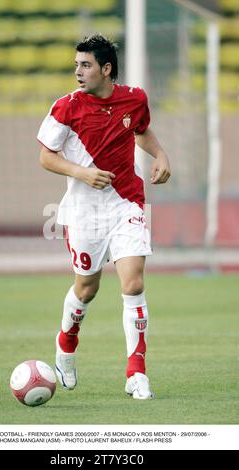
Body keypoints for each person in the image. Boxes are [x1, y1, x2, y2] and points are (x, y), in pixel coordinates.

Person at [37, 34, 170, 400]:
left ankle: (136, 372)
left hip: (126, 202)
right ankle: (66, 344)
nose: (77, 72)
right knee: (87, 288)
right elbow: (46, 156)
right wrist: (82, 173)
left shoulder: (135, 98)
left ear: (106, 69)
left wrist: (159, 155)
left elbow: (139, 129)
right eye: (76, 65)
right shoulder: (66, 107)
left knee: (133, 284)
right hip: (83, 212)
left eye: (86, 65)